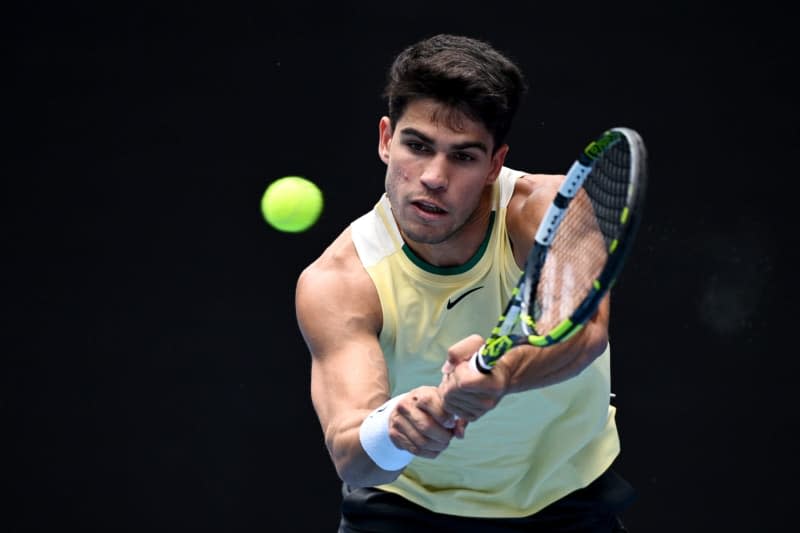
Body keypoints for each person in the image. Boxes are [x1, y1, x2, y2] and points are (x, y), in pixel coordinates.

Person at [295, 33, 636, 532]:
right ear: (386, 139)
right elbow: (353, 456)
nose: (434, 176)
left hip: (565, 502)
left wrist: (503, 375)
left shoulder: (548, 211)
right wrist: (393, 431)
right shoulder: (340, 281)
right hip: (407, 513)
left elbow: (582, 332)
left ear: (495, 162)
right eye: (417, 145)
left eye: (463, 156)